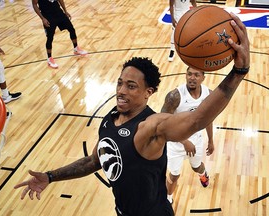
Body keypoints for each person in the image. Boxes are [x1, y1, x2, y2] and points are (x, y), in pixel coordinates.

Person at [14, 13, 250, 216]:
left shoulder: (151, 125)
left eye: (131, 86)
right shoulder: (109, 119)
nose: (121, 91)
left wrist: (238, 72)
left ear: (148, 92)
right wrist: (50, 176)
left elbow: (196, 119)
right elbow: (94, 161)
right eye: (120, 83)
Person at [161, 67, 214, 204]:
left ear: (203, 77)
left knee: (197, 167)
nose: (192, 78)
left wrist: (211, 140)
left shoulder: (208, 95)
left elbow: (208, 119)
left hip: (196, 140)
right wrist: (184, 142)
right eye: (189, 74)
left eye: (197, 75)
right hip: (175, 143)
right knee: (174, 175)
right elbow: (163, 123)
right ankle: (168, 198)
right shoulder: (175, 96)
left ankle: (203, 174)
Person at [32, 0, 88, 69]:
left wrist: (65, 11)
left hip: (59, 13)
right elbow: (34, 5)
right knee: (50, 37)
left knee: (71, 29)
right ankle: (49, 59)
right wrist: (43, 19)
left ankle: (76, 48)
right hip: (48, 16)